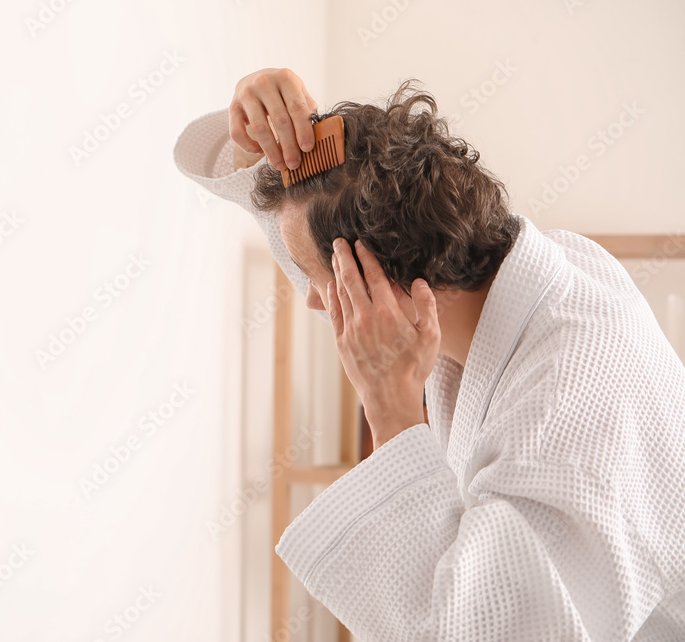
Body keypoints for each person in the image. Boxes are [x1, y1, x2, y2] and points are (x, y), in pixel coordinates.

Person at [172, 67, 685, 641]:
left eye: (320, 279)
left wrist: (391, 412)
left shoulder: (567, 406)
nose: (313, 298)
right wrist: (257, 144)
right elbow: (319, 226)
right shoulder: (510, 269)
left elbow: (488, 631)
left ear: (386, 286)